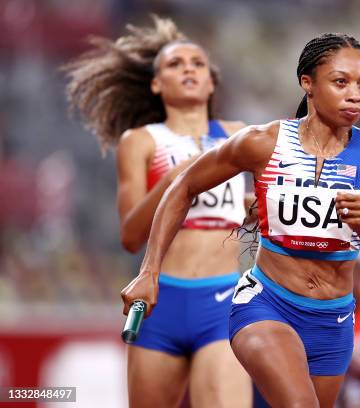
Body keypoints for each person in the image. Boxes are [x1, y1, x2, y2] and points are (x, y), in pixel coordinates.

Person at [121, 32, 360, 407]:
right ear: (308, 83)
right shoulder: (262, 142)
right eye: (341, 82)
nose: (355, 94)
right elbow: (184, 186)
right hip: (266, 303)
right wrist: (149, 270)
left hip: (333, 320)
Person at [64, 16, 252, 408]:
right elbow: (131, 236)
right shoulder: (142, 141)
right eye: (175, 64)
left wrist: (250, 206)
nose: (188, 69)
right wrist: (174, 182)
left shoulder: (238, 135)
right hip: (158, 304)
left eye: (198, 63)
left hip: (223, 301)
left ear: (212, 82)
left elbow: (258, 209)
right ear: (155, 83)